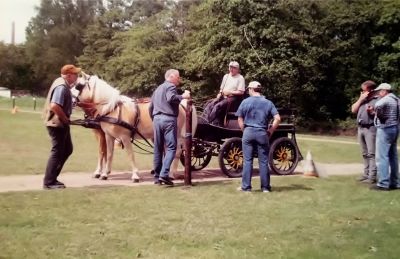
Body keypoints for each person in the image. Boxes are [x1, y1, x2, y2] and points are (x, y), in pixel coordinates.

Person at [235, 81, 281, 192]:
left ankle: (246, 187)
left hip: (248, 132)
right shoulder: (268, 103)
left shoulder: (245, 102)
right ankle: (265, 188)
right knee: (264, 161)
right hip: (262, 133)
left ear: (251, 89)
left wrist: (244, 130)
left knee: (247, 161)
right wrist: (270, 131)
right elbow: (278, 118)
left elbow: (239, 118)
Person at [149, 69, 191, 185]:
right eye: (178, 77)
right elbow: (171, 98)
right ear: (171, 77)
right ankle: (164, 174)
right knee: (172, 148)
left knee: (158, 149)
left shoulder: (157, 89)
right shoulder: (171, 86)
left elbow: (150, 107)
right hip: (168, 119)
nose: (179, 79)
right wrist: (183, 96)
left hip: (157, 120)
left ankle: (157, 178)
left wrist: (155, 119)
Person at [43, 64, 80, 189]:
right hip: (57, 123)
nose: (77, 77)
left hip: (59, 123)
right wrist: (65, 118)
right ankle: (49, 182)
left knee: (67, 149)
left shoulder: (61, 83)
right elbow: (54, 105)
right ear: (69, 75)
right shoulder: (62, 87)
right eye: (76, 75)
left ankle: (52, 178)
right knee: (57, 151)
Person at [371, 83, 400, 191]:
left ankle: (383, 183)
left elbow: (378, 105)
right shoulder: (397, 100)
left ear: (385, 91)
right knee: (393, 157)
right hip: (395, 128)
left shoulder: (386, 99)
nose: (379, 93)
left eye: (380, 91)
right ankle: (395, 182)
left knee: (382, 157)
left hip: (385, 129)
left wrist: (377, 113)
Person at [351, 80, 378, 184]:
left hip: (371, 128)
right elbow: (353, 109)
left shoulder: (377, 101)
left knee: (371, 154)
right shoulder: (362, 100)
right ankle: (366, 174)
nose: (362, 92)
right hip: (361, 128)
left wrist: (373, 112)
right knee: (364, 153)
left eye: (364, 91)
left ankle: (372, 176)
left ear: (370, 91)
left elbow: (381, 116)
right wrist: (360, 99)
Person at [205, 61, 245, 126]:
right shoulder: (226, 76)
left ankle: (208, 123)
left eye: (234, 68)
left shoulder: (240, 78)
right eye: (230, 67)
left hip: (234, 98)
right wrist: (220, 93)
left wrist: (229, 92)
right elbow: (221, 89)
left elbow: (241, 92)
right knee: (209, 104)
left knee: (218, 106)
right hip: (224, 96)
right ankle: (206, 120)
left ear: (237, 69)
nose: (231, 69)